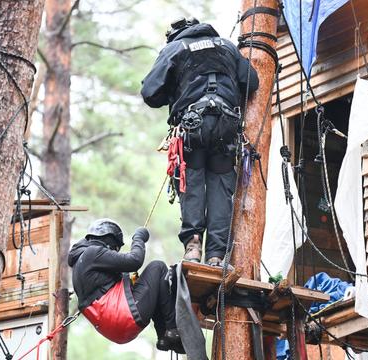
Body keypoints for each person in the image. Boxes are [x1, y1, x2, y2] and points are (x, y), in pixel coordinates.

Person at [141, 17, 259, 266]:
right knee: (220, 188)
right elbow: (252, 81)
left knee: (191, 183)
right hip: (226, 127)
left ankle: (193, 247)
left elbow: (150, 93)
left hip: (193, 127)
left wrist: (176, 89)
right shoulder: (226, 46)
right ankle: (217, 255)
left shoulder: (175, 49)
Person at [68, 218, 183, 352]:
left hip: (112, 328)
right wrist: (138, 238)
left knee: (154, 285)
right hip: (122, 317)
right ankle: (171, 329)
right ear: (109, 239)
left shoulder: (81, 263)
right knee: (157, 267)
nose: (115, 252)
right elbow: (134, 260)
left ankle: (164, 339)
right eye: (116, 248)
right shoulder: (93, 253)